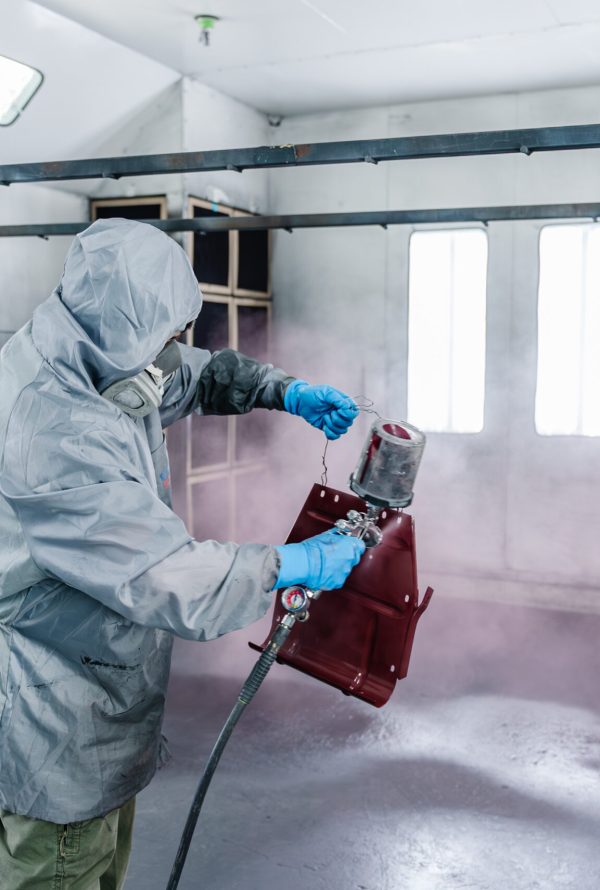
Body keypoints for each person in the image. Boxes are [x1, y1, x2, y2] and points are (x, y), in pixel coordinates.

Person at [0, 219, 364, 889]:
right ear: (124, 330)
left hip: (98, 685)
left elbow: (186, 376)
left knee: (101, 860)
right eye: (166, 333)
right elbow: (166, 575)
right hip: (54, 713)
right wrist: (291, 564)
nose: (175, 348)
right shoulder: (50, 434)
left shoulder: (92, 350)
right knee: (61, 863)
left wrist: (280, 390)